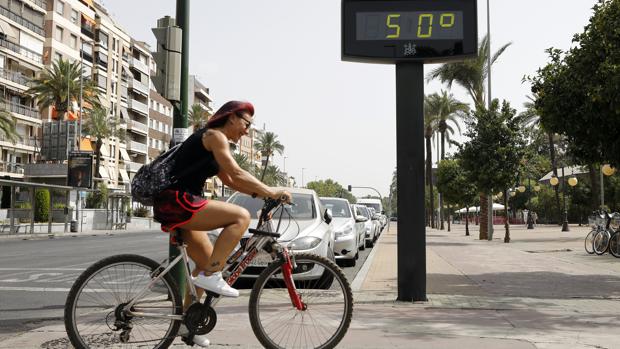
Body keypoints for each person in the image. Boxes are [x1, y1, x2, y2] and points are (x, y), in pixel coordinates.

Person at [153, 101, 291, 347]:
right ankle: (213, 274)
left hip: (175, 202)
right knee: (240, 217)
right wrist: (271, 192)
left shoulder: (213, 142)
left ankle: (187, 324)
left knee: (205, 264)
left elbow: (232, 180)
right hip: (179, 201)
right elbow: (237, 173)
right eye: (246, 124)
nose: (247, 130)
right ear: (231, 118)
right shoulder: (215, 136)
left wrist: (263, 194)